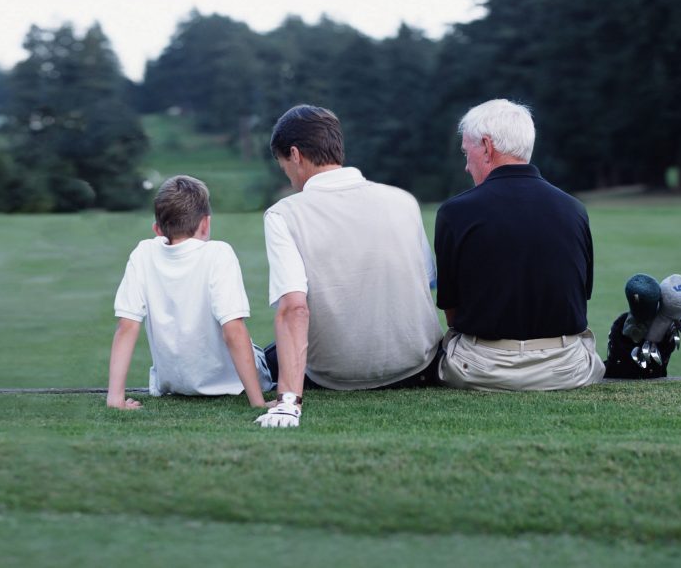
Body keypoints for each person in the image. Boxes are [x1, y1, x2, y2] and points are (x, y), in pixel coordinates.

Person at [254, 105, 442, 429]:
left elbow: (294, 309)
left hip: (334, 375)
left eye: (284, 164)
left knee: (262, 355)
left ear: (295, 155)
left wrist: (288, 402)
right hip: (418, 366)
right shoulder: (403, 201)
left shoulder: (284, 214)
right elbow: (426, 281)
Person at [434, 99, 605, 391]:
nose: (465, 165)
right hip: (566, 368)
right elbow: (579, 297)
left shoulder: (454, 213)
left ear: (487, 147)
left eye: (467, 152)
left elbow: (453, 316)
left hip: (481, 369)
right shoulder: (574, 209)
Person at [106, 175, 273, 410]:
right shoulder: (219, 253)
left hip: (173, 383)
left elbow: (127, 326)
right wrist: (258, 402)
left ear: (157, 229)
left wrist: (115, 398)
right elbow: (233, 330)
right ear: (205, 223)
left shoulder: (143, 253)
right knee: (275, 351)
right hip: (231, 382)